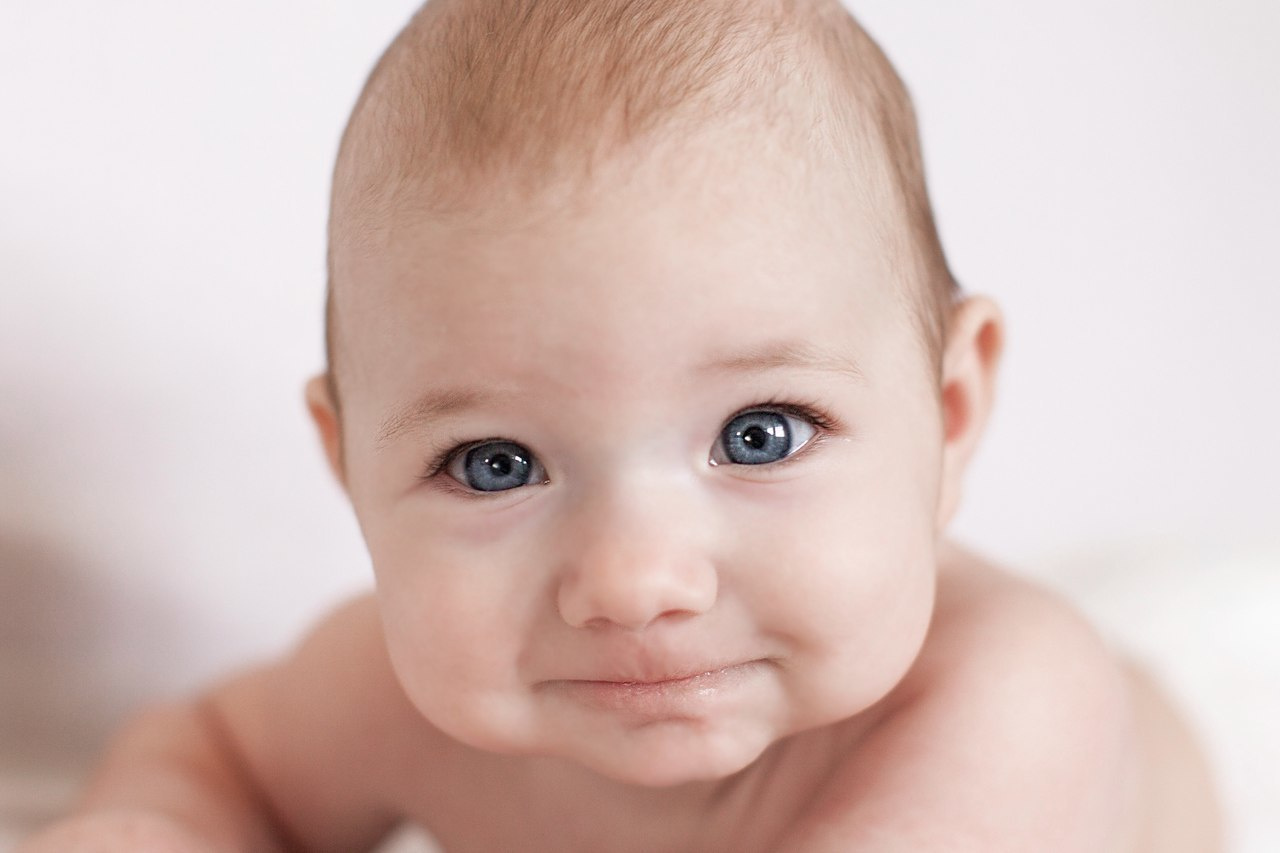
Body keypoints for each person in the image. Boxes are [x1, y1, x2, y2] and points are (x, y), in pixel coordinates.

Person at [21, 0, 1221, 850]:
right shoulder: (392, 687)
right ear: (349, 464)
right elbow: (219, 750)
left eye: (758, 434)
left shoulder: (1010, 699)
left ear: (949, 414)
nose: (634, 582)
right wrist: (158, 822)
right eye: (494, 464)